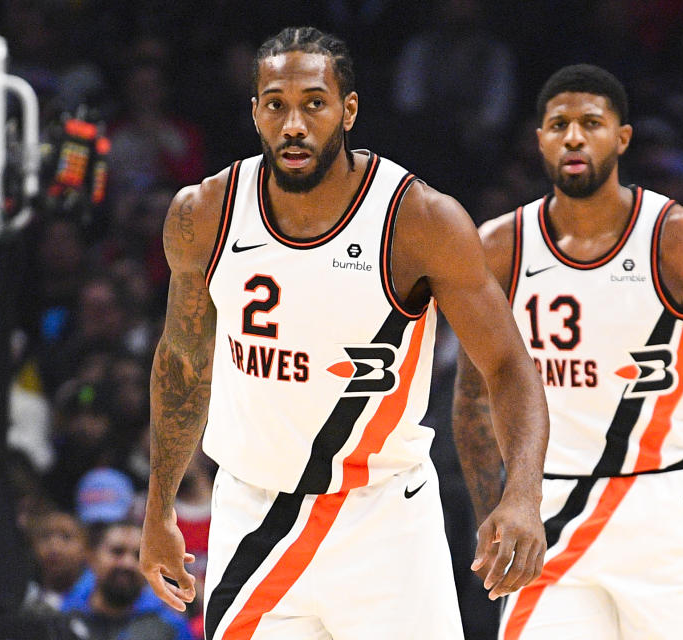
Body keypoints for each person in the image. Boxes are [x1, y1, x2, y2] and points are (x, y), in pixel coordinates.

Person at [138, 26, 549, 640]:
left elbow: (510, 367)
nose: (294, 124)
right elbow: (182, 362)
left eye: (314, 103)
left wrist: (522, 495)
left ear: (348, 110)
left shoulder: (419, 221)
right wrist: (159, 507)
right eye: (276, 104)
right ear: (254, 113)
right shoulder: (204, 214)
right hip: (254, 512)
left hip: (383, 520)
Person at [453, 63, 683, 639]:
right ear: (540, 139)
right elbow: (473, 397)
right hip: (549, 504)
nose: (574, 136)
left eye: (591, 123)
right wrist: (488, 512)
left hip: (666, 507)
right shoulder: (498, 247)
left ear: (622, 138)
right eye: (559, 123)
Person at [63, 521, 194, 640]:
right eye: (117, 552)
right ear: (92, 558)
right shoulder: (65, 617)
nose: (128, 563)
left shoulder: (169, 625)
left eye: (139, 556)